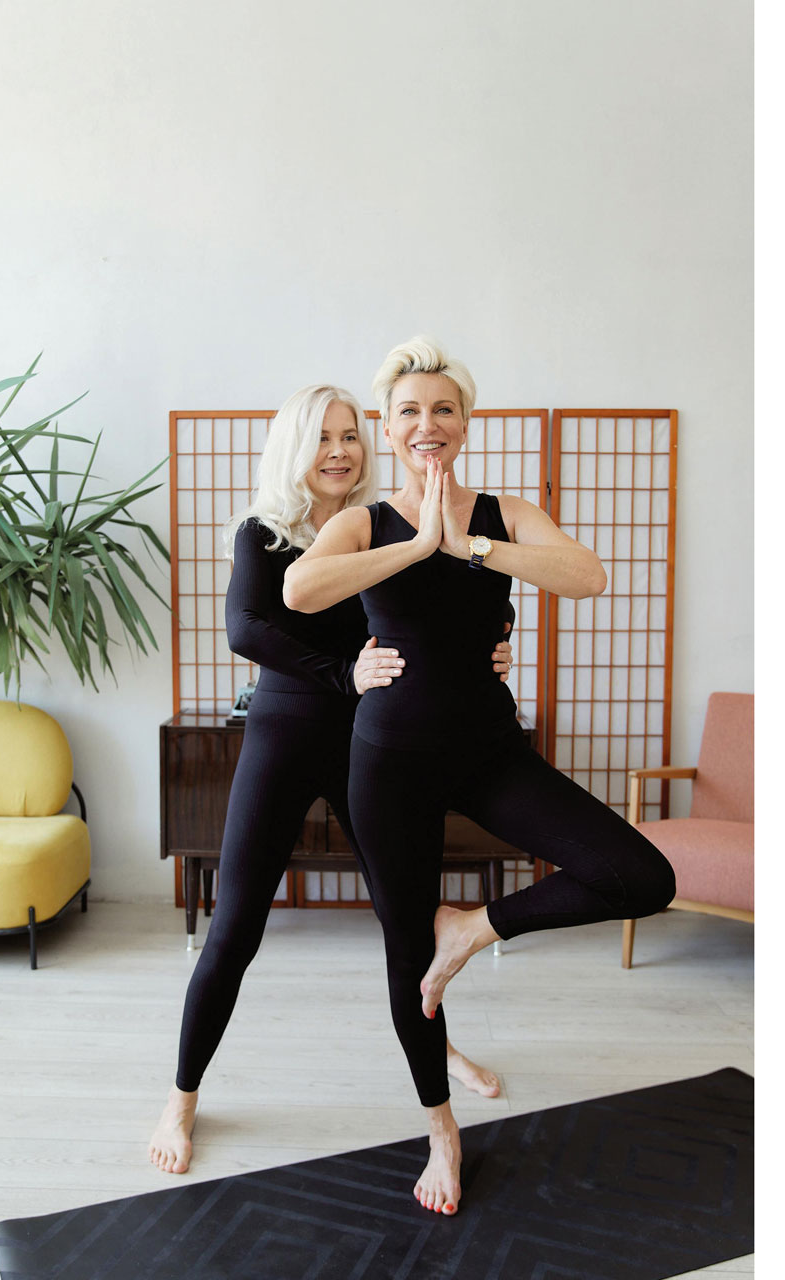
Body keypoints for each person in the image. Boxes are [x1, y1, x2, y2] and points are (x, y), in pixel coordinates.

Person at [283, 338, 677, 1216]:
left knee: (641, 875)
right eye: (412, 412)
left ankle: (473, 928)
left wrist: (472, 547)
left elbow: (587, 576)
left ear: (465, 423)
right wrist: (418, 542)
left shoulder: (505, 512)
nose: (429, 424)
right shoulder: (365, 520)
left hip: (489, 752)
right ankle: (440, 1129)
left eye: (445, 409)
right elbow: (303, 593)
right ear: (390, 429)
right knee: (403, 955)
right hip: (387, 764)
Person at [148, 383, 515, 1176]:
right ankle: (181, 1098)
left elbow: (459, 598)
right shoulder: (265, 532)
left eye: (351, 435)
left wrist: (495, 642)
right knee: (235, 928)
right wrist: (340, 671)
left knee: (406, 921)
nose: (340, 451)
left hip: (367, 746)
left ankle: (438, 1055)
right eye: (323, 438)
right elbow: (246, 626)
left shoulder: (379, 526)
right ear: (296, 449)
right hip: (283, 738)